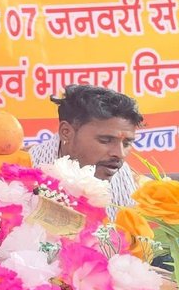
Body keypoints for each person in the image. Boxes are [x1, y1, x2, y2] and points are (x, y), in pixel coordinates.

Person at [29, 84, 141, 212]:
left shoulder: (126, 177)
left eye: (126, 144)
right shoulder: (23, 169)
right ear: (66, 132)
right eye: (105, 140)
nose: (120, 154)